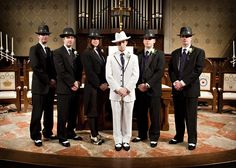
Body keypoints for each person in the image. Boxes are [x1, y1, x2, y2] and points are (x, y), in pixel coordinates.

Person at [168, 26, 205, 150]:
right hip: (177, 89)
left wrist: (183, 83)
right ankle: (178, 136)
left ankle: (192, 140)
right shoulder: (175, 53)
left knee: (190, 116)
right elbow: (171, 70)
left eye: (187, 36)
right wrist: (175, 82)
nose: (185, 38)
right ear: (180, 38)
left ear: (191, 37)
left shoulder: (199, 52)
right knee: (178, 115)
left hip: (190, 90)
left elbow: (197, 70)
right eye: (183, 36)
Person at [106, 31, 139, 151]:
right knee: (116, 117)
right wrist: (118, 88)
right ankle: (118, 140)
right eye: (119, 42)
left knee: (127, 117)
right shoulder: (110, 57)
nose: (121, 44)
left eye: (123, 42)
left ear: (126, 42)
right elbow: (108, 75)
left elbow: (135, 75)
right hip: (115, 93)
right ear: (116, 44)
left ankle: (126, 139)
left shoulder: (134, 57)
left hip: (129, 93)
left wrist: (127, 89)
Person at [132, 30, 165, 148]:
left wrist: (148, 84)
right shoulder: (138, 55)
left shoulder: (160, 54)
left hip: (153, 89)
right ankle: (142, 134)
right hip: (140, 90)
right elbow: (135, 72)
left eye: (150, 39)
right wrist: (139, 85)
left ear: (154, 41)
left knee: (155, 114)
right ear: (143, 41)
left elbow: (159, 72)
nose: (147, 41)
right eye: (145, 39)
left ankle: (154, 137)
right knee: (141, 113)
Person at [53, 27, 83, 147]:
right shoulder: (57, 53)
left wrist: (78, 82)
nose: (69, 40)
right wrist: (72, 83)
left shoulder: (76, 53)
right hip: (64, 89)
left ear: (74, 39)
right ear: (63, 39)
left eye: (71, 37)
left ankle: (71, 131)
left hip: (75, 88)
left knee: (73, 113)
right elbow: (61, 71)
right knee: (63, 114)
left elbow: (79, 70)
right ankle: (62, 136)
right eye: (67, 37)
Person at [29, 24, 57, 147]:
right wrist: (48, 81)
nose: (44, 36)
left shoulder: (49, 51)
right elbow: (36, 68)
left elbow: (53, 68)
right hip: (39, 87)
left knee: (49, 112)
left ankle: (47, 132)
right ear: (38, 36)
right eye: (42, 34)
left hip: (49, 88)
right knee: (37, 112)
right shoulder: (33, 49)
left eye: (46, 34)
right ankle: (36, 136)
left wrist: (54, 80)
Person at [81, 29, 108, 145]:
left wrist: (106, 82)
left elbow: (105, 69)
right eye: (93, 38)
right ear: (90, 40)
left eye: (97, 38)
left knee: (97, 111)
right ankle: (93, 136)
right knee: (92, 112)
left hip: (101, 87)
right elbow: (90, 72)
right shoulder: (86, 53)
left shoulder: (101, 52)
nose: (96, 40)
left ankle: (96, 133)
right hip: (92, 87)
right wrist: (99, 84)